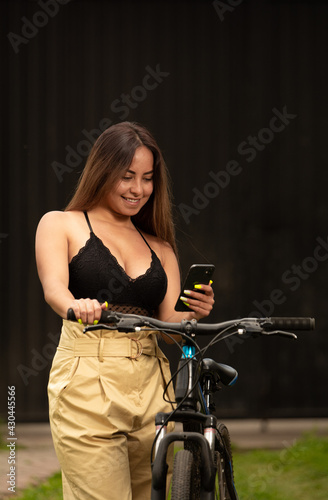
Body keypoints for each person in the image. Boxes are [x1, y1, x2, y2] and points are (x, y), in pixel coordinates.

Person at [35, 121, 215, 500]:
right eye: (127, 176)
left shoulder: (160, 246)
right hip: (87, 380)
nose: (138, 189)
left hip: (153, 384)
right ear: (103, 171)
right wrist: (75, 306)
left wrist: (194, 312)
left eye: (147, 178)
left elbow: (169, 328)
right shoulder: (61, 224)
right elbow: (55, 290)